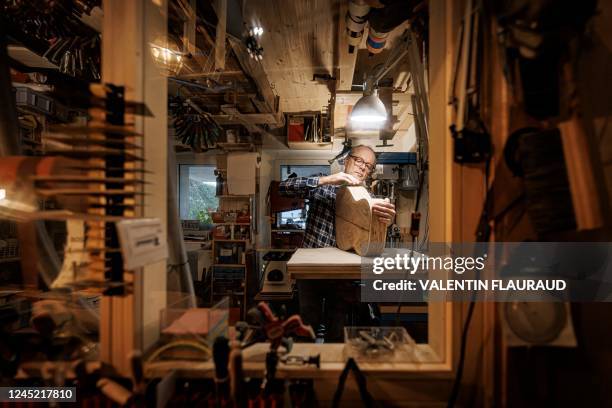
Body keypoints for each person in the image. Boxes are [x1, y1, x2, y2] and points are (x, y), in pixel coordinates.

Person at [279, 145, 396, 341]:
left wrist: (386, 221)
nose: (362, 168)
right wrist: (327, 179)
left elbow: (374, 240)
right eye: (359, 161)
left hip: (342, 275)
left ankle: (333, 369)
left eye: (368, 166)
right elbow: (283, 188)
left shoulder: (368, 200)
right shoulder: (323, 185)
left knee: (338, 329)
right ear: (347, 160)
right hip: (312, 272)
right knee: (307, 326)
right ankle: (306, 367)